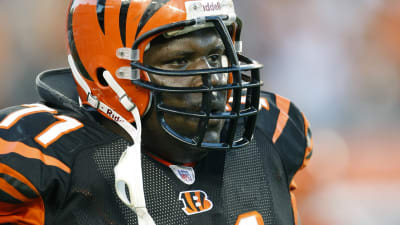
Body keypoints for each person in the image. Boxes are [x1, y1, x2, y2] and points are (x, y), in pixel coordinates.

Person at [0, 0, 313, 224]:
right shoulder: (47, 158)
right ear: (106, 74)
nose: (214, 80)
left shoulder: (271, 131)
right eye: (179, 61)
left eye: (217, 55)